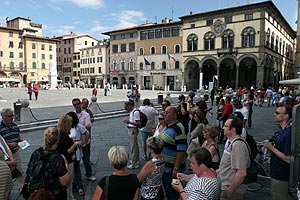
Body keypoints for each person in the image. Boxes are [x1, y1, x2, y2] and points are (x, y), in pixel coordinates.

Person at [24, 127, 70, 200]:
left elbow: (29, 171)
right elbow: (64, 181)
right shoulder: (57, 158)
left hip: (36, 193)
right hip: (52, 194)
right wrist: (66, 164)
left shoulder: (36, 153)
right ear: (57, 139)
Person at [264, 104, 292, 200]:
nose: (274, 114)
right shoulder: (283, 131)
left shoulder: (288, 133)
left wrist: (271, 148)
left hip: (281, 175)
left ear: (285, 116)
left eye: (277, 113)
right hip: (277, 173)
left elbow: (288, 159)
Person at [158, 106, 187, 200]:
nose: (164, 114)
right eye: (164, 112)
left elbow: (181, 150)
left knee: (172, 194)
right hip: (165, 167)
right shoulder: (168, 126)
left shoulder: (178, 129)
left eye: (167, 112)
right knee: (168, 190)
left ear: (175, 115)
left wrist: (176, 168)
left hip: (171, 170)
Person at [219, 117, 250, 200]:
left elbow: (241, 173)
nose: (223, 128)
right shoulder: (231, 142)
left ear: (233, 130)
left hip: (232, 190)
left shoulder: (238, 145)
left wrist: (230, 190)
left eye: (225, 126)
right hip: (227, 187)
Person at [57, 115, 83, 200]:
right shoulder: (62, 137)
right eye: (70, 122)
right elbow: (65, 152)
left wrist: (73, 142)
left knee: (70, 182)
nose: (72, 124)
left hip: (70, 160)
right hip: (67, 161)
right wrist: (75, 144)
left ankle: (70, 196)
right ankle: (69, 197)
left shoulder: (64, 135)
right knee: (68, 182)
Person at [0, 108, 25, 189]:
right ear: (3, 117)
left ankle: (23, 187)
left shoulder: (15, 125)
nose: (11, 118)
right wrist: (8, 145)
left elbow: (18, 136)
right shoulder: (0, 128)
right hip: (4, 155)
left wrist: (21, 140)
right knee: (6, 172)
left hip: (15, 151)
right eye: (9, 116)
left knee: (20, 170)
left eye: (12, 116)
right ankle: (7, 188)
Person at [66, 112, 90, 196]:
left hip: (76, 151)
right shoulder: (66, 128)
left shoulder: (78, 126)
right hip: (68, 151)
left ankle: (79, 186)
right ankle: (74, 185)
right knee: (70, 169)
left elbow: (86, 133)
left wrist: (84, 143)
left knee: (76, 169)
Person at [73, 98, 95, 181]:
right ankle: (76, 177)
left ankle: (89, 174)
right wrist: (81, 128)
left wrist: (78, 128)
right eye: (75, 105)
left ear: (80, 103)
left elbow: (88, 126)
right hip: (75, 141)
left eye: (78, 104)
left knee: (86, 158)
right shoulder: (72, 114)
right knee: (76, 160)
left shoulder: (86, 114)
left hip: (85, 140)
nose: (77, 106)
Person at [123, 101, 141, 169]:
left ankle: (134, 163)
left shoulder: (135, 112)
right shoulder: (132, 111)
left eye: (126, 108)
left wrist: (129, 122)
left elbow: (138, 123)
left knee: (133, 147)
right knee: (133, 146)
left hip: (133, 130)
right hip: (131, 129)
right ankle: (135, 160)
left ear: (129, 106)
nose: (126, 110)